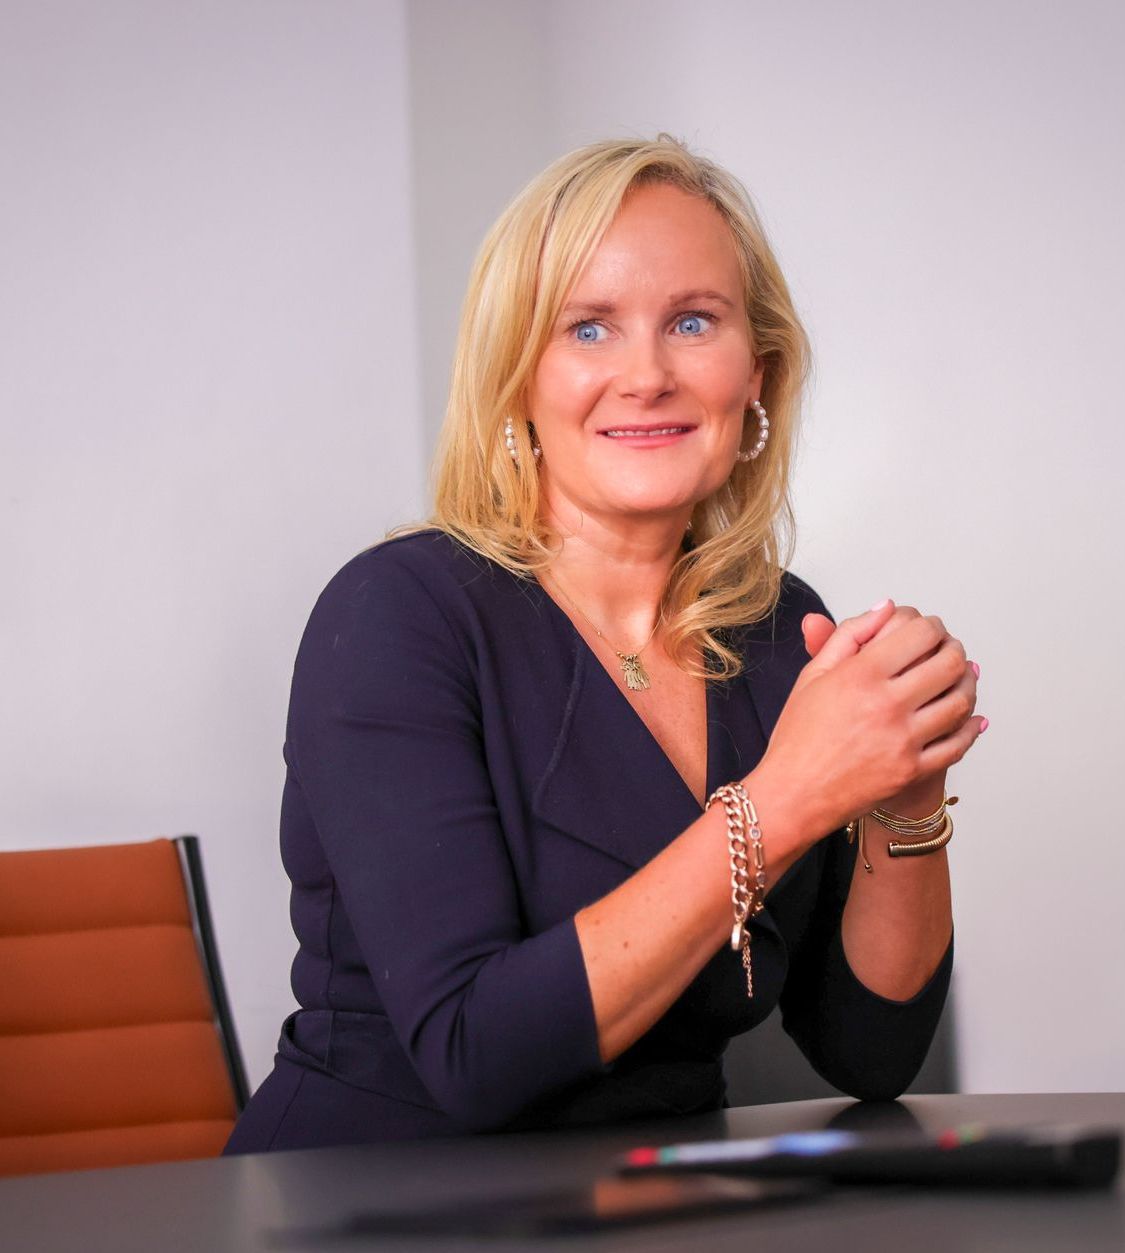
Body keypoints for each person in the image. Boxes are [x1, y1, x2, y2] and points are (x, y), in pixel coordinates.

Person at [224, 136, 984, 1154]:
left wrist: (904, 783)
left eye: (692, 321)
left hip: (661, 1200)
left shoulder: (774, 624)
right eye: (589, 328)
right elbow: (470, 1050)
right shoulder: (395, 616)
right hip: (377, 1200)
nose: (647, 374)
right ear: (517, 377)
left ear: (753, 371)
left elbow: (870, 1052)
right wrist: (791, 794)